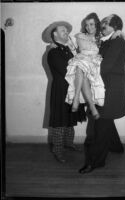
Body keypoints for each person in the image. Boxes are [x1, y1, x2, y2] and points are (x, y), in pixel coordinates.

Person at [79, 14, 125, 174]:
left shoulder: (117, 42)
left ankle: (95, 162)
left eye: (107, 23)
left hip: (111, 91)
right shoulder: (108, 41)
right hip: (103, 89)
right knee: (105, 121)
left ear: (115, 26)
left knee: (99, 127)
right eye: (104, 22)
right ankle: (117, 147)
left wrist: (85, 65)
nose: (103, 25)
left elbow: (105, 67)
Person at [42, 21, 86, 163]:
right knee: (60, 121)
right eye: (63, 30)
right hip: (61, 90)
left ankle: (68, 143)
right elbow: (68, 70)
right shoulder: (53, 51)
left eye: (67, 31)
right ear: (54, 34)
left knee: (69, 119)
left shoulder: (67, 50)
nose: (66, 33)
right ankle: (58, 151)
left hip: (71, 89)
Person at [65, 13, 105, 120]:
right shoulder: (79, 36)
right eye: (86, 25)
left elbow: (113, 36)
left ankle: (76, 99)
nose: (88, 27)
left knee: (80, 66)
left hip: (94, 64)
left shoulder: (101, 38)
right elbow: (66, 42)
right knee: (80, 67)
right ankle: (90, 106)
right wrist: (53, 44)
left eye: (91, 24)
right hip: (81, 63)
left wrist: (119, 32)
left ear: (97, 24)